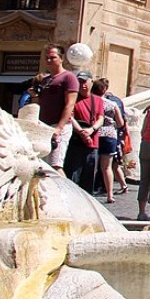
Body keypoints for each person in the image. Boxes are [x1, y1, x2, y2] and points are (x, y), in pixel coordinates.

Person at [39, 44, 78, 173]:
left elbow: (70, 104)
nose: (49, 60)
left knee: (56, 166)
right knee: (43, 166)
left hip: (60, 126)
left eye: (53, 57)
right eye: (47, 58)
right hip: (44, 126)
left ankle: (67, 193)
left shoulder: (69, 77)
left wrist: (59, 128)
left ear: (61, 59)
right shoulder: (45, 80)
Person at [65, 71, 103, 192]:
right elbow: (70, 117)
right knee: (73, 176)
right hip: (76, 143)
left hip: (93, 143)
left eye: (84, 81)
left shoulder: (98, 100)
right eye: (79, 81)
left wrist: (91, 130)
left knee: (89, 178)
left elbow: (101, 118)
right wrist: (82, 132)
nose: (82, 84)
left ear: (91, 81)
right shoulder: (73, 99)